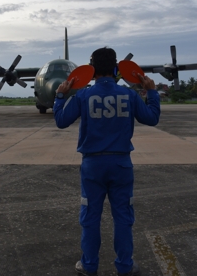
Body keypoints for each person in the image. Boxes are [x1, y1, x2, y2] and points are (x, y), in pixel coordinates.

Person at [53, 47, 160, 276]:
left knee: (90, 217)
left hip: (92, 166)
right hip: (121, 165)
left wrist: (61, 96)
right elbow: (152, 118)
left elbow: (61, 121)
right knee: (123, 216)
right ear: (116, 69)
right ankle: (125, 266)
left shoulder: (83, 95)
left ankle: (89, 265)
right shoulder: (129, 95)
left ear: (91, 71)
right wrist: (151, 92)